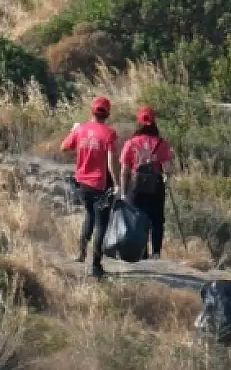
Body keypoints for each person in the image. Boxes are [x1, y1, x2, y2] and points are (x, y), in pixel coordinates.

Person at [61, 96, 120, 277]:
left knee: (89, 216)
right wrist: (117, 184)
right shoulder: (109, 134)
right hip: (99, 184)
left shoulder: (81, 130)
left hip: (82, 183)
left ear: (91, 111)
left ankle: (80, 253)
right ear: (107, 114)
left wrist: (74, 131)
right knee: (101, 223)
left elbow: (64, 147)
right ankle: (95, 265)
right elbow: (111, 162)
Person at [119, 106, 173, 259]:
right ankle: (156, 253)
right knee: (157, 220)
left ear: (139, 123)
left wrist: (123, 193)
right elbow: (167, 169)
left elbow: (124, 170)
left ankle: (141, 252)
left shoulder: (131, 143)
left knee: (138, 219)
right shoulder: (161, 143)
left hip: (136, 187)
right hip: (156, 187)